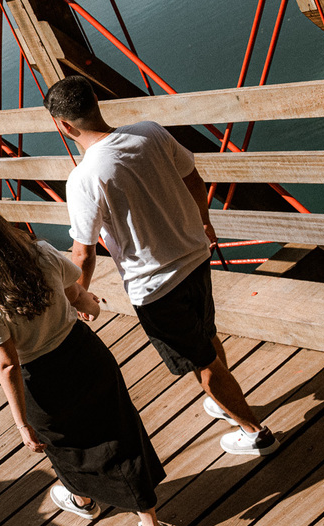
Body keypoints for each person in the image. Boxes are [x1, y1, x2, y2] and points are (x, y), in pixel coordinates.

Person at [43, 75, 278, 457]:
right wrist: (203, 220)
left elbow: (83, 254)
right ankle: (223, 403)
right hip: (195, 257)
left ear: (63, 125)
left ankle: (255, 432)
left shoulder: (83, 178)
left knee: (202, 362)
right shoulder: (149, 132)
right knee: (206, 335)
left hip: (154, 286)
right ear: (96, 102)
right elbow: (193, 177)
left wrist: (78, 296)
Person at [0, 203, 171, 526]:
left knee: (64, 444)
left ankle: (83, 499)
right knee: (119, 429)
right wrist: (93, 305)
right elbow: (77, 296)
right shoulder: (42, 253)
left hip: (42, 379)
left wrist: (22, 422)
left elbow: (7, 364)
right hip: (83, 353)